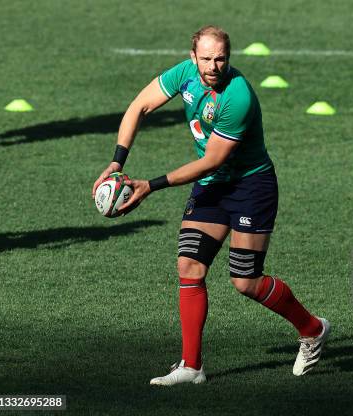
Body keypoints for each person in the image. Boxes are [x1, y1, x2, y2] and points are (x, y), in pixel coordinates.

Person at [92, 25, 330, 385]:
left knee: (245, 282)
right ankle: (191, 366)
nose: (213, 66)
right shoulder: (184, 73)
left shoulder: (238, 96)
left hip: (251, 187)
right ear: (193, 57)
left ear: (228, 59)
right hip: (211, 189)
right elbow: (140, 105)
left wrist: (150, 186)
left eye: (220, 59)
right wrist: (116, 163)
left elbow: (212, 160)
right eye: (206, 58)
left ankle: (312, 330)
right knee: (189, 266)